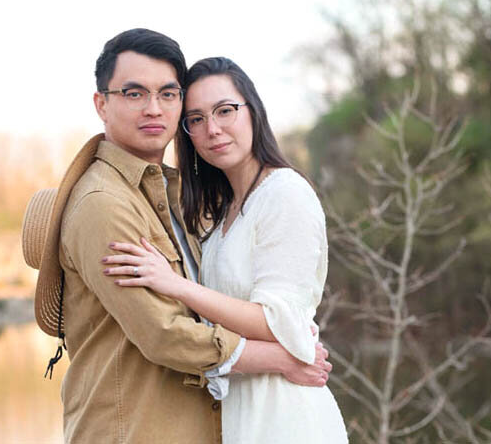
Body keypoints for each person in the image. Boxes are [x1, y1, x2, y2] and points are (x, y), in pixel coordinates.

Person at [21, 30, 333, 444]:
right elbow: (163, 333)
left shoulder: (175, 197)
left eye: (168, 95)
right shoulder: (105, 202)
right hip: (132, 430)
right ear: (102, 103)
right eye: (134, 94)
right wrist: (281, 357)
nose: (154, 108)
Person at [102, 57, 349, 443]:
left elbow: (277, 323)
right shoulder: (220, 214)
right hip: (240, 409)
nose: (212, 129)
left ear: (253, 111)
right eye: (196, 119)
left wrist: (176, 285)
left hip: (284, 413)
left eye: (225, 111)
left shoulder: (285, 194)